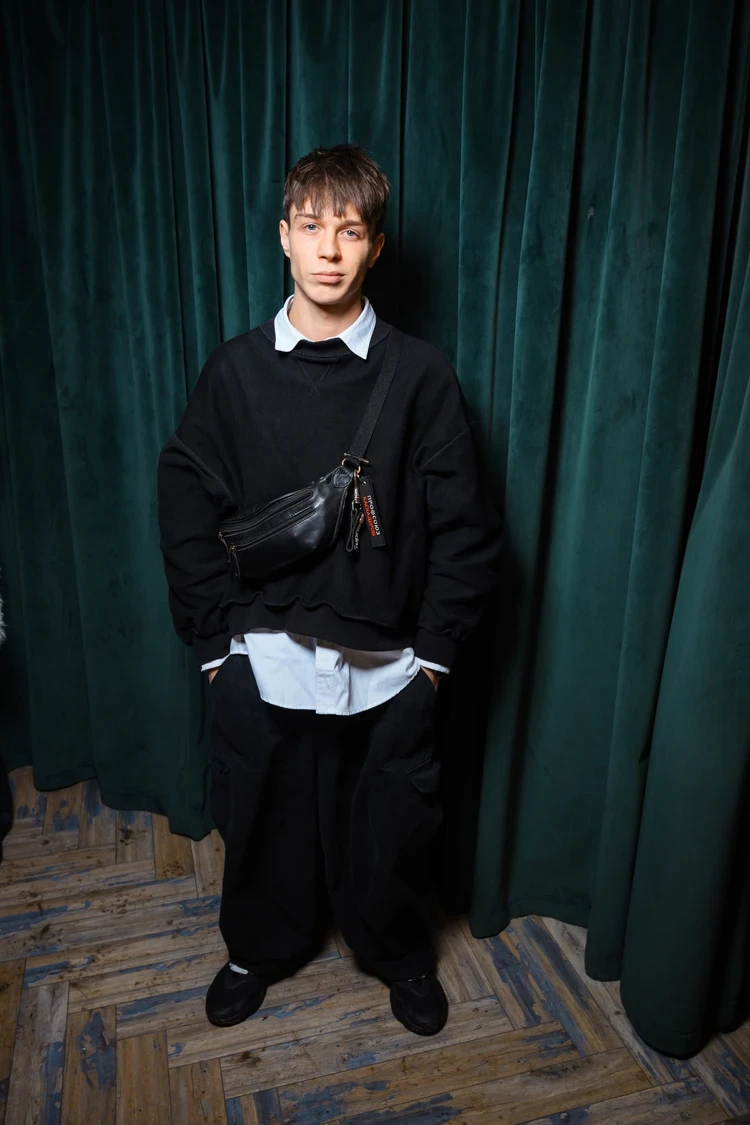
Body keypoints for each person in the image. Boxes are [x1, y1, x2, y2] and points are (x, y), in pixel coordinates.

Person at [157, 144, 501, 1037]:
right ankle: (254, 949)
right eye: (310, 227)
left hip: (388, 666)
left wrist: (434, 661)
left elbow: (466, 528)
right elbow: (184, 496)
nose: (328, 249)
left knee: (392, 827)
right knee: (260, 819)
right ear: (283, 235)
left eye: (349, 231)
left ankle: (400, 954)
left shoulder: (420, 374)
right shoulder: (233, 371)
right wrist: (214, 649)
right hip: (263, 656)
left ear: (375, 247)